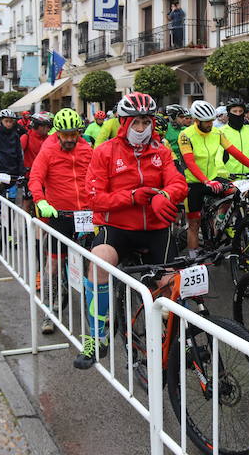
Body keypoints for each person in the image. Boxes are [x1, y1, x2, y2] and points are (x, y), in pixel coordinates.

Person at [79, 92, 188, 369]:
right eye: (135, 123)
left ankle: (176, 340)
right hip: (117, 227)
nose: (141, 129)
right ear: (123, 123)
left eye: (146, 122)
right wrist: (131, 197)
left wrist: (165, 194)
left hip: (156, 228)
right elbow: (94, 197)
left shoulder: (162, 150)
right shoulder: (105, 151)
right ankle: (96, 336)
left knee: (173, 284)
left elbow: (178, 182)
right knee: (99, 262)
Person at [28, 108, 93, 335]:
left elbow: (98, 175)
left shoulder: (87, 149)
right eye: (64, 134)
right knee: (53, 266)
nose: (69, 139)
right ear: (58, 133)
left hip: (85, 214)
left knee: (92, 265)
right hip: (59, 215)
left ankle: (95, 311)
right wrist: (41, 200)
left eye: (73, 134)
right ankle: (49, 311)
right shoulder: (48, 151)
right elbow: (35, 178)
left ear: (78, 132)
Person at [178, 100, 249, 254]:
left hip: (214, 178)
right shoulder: (185, 135)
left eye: (211, 121)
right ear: (196, 120)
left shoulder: (217, 132)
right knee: (194, 223)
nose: (210, 124)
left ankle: (220, 220)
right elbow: (190, 162)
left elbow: (236, 153)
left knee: (238, 190)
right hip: (194, 182)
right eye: (206, 122)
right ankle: (193, 259)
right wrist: (206, 181)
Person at [217, 98, 249, 176]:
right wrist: (223, 174)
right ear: (228, 114)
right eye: (234, 111)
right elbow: (217, 158)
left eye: (240, 111)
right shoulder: (221, 132)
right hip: (230, 179)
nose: (238, 114)